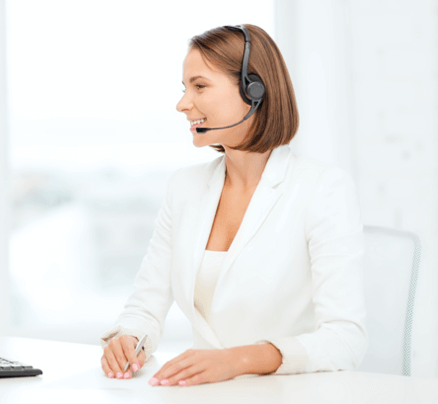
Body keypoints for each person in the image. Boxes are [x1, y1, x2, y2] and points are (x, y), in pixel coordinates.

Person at [99, 24, 368, 387]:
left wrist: (239, 360)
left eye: (200, 86)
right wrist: (130, 338)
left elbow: (345, 340)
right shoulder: (185, 187)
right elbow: (145, 306)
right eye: (184, 89)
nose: (182, 104)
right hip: (203, 394)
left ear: (253, 91)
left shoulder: (322, 189)